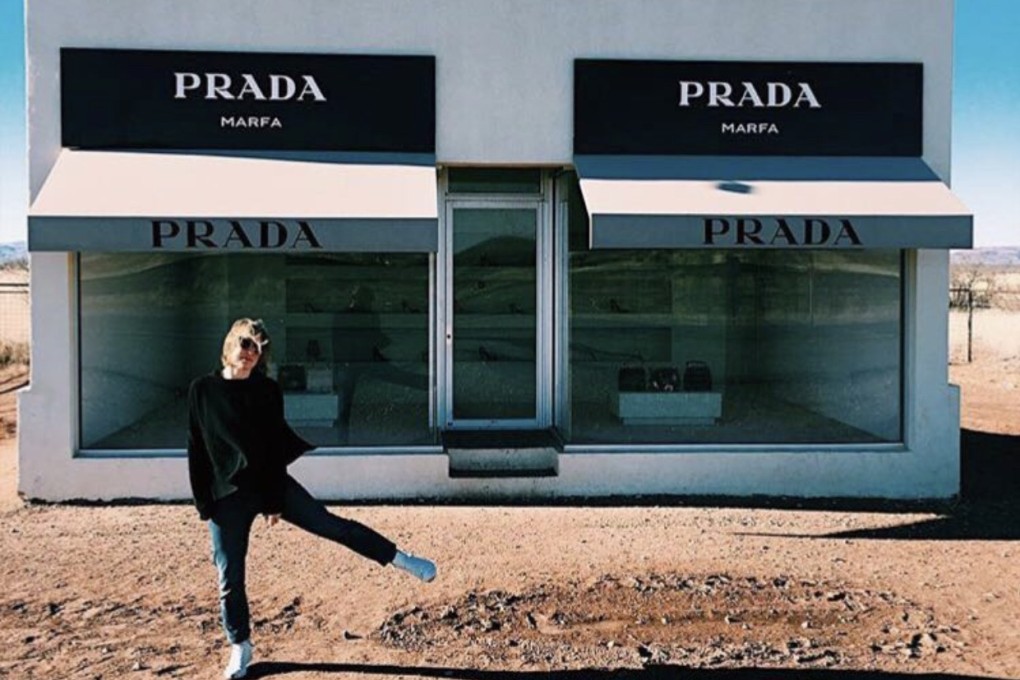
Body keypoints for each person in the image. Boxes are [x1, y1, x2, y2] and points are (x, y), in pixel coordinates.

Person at [188, 318, 437, 680]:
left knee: (331, 525)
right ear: (229, 343)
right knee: (229, 575)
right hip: (226, 496)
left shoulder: (266, 390)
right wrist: (203, 504)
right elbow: (196, 448)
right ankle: (240, 646)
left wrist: (274, 499)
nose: (250, 353)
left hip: (269, 484)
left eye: (258, 348)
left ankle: (400, 558)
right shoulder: (202, 390)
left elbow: (273, 447)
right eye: (245, 343)